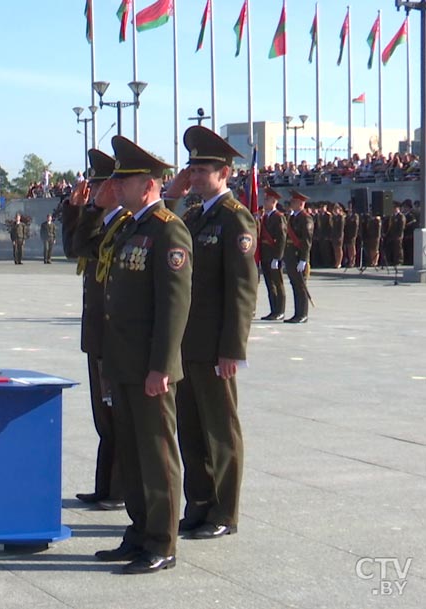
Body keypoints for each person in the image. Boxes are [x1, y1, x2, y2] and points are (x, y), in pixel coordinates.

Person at [93, 135, 191, 575]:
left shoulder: (168, 228)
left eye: (125, 181)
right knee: (131, 454)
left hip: (149, 368)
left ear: (148, 184)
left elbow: (174, 307)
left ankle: (162, 542)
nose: (117, 188)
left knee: (156, 455)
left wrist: (161, 367)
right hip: (123, 363)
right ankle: (138, 532)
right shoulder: (131, 227)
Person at [165, 126, 257, 542]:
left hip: (214, 346)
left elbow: (242, 290)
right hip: (185, 346)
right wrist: (173, 192)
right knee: (191, 429)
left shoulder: (235, 218)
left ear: (224, 173)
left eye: (202, 170)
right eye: (192, 169)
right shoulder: (193, 216)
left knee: (221, 431)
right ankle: (198, 504)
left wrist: (232, 349)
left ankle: (225, 511)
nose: (194, 176)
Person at [68, 148, 127, 511]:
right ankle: (105, 485)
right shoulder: (104, 223)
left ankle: (119, 489)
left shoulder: (124, 225)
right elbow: (75, 245)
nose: (93, 190)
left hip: (115, 336)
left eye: (98, 184)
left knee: (118, 414)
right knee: (103, 415)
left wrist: (89, 212)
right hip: (97, 335)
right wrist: (81, 209)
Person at [257, 187, 287, 320]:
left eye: (267, 199)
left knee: (278, 283)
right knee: (270, 284)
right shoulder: (265, 217)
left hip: (273, 255)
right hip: (265, 255)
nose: (264, 201)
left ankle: (280, 310)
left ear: (274, 201)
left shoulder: (278, 217)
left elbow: (281, 238)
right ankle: (273, 310)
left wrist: (278, 257)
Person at [283, 190, 313, 323]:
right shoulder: (293, 217)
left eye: (294, 202)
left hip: (298, 255)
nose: (291, 204)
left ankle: (303, 314)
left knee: (301, 286)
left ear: (301, 203)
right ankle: (297, 313)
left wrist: (303, 259)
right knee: (295, 284)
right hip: (291, 256)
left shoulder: (306, 218)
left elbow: (307, 241)